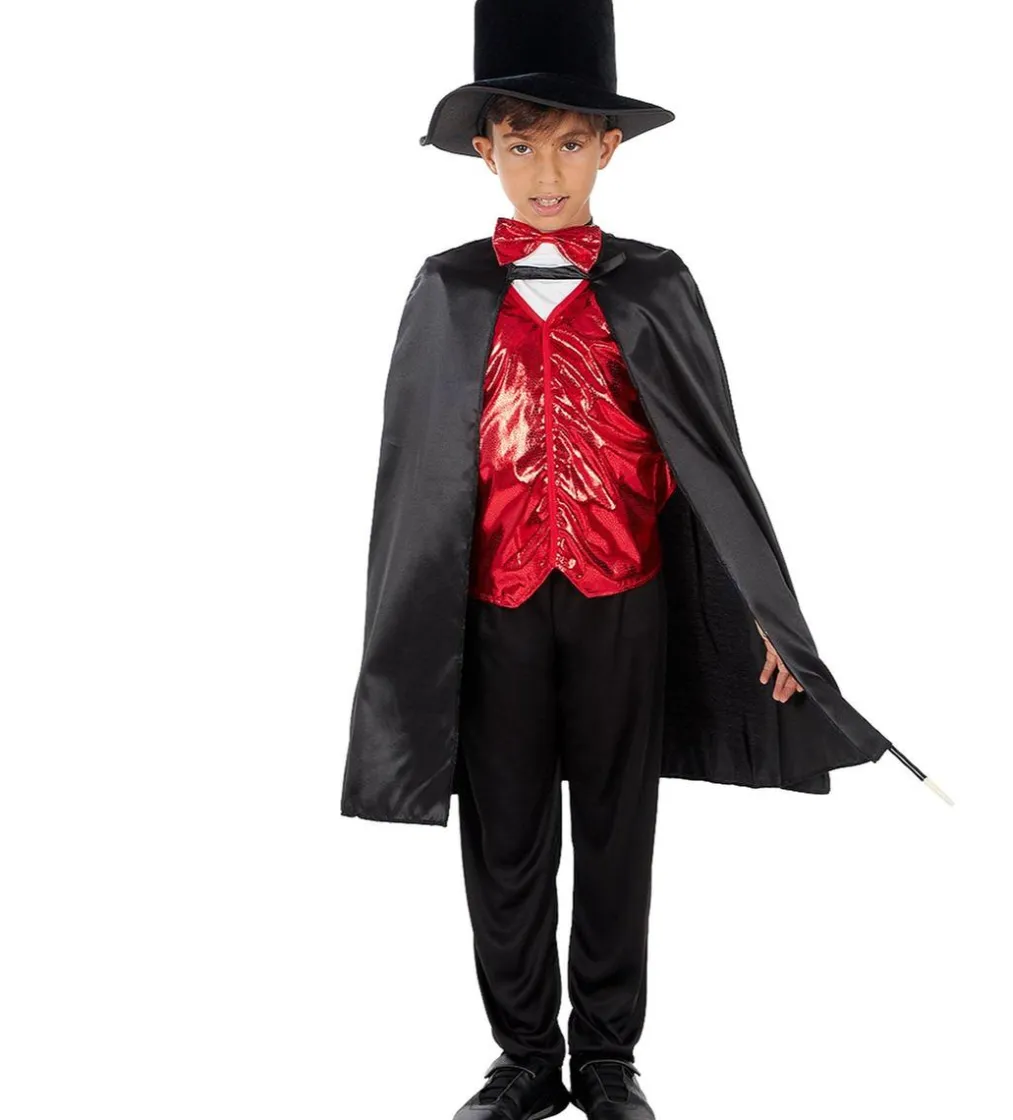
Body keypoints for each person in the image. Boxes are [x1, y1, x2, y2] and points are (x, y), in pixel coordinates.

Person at [341, 3, 894, 1117]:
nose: (545, 172)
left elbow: (714, 466)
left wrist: (764, 614)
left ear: (609, 148)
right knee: (504, 836)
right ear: (485, 152)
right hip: (493, 601)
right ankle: (522, 1059)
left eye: (569, 143)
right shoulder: (448, 289)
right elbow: (415, 476)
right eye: (520, 144)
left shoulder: (655, 284)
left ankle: (605, 1056)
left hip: (621, 599)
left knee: (615, 826)